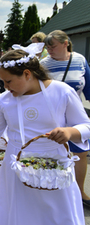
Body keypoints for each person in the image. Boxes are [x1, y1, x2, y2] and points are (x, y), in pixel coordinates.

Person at [0, 43, 89, 224]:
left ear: (27, 74)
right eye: (2, 82)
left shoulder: (62, 92)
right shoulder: (4, 100)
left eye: (9, 81)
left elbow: (86, 126)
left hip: (54, 172)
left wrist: (70, 132)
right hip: (17, 172)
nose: (5, 87)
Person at [40, 30, 90, 206]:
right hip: (53, 116)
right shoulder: (43, 64)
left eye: (52, 46)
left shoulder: (80, 60)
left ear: (65, 43)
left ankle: (79, 192)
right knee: (54, 154)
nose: (49, 50)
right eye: (47, 47)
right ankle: (55, 192)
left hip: (75, 116)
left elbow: (88, 88)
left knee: (80, 153)